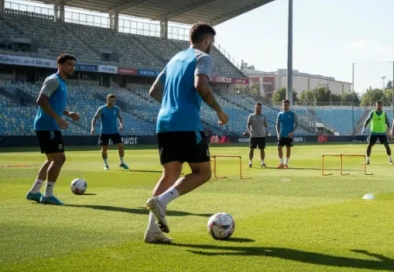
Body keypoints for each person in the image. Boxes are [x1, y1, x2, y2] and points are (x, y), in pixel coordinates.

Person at [144, 23, 228, 244]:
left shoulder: (174, 59)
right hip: (186, 124)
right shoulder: (203, 58)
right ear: (207, 40)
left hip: (164, 122)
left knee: (169, 174)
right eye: (213, 42)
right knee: (203, 173)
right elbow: (201, 85)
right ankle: (161, 201)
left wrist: (171, 106)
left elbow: (153, 90)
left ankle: (152, 231)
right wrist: (219, 110)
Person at [26, 54, 80, 205]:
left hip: (49, 124)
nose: (72, 67)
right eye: (69, 64)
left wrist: (67, 113)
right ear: (60, 65)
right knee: (60, 159)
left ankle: (34, 191)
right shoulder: (54, 80)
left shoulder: (61, 82)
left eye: (73, 65)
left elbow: (53, 104)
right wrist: (57, 118)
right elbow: (41, 100)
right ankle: (48, 195)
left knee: (51, 159)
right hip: (48, 125)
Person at [90, 93, 129, 170]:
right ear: (107, 100)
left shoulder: (116, 109)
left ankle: (122, 163)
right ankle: (106, 165)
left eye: (113, 100)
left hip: (115, 132)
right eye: (110, 100)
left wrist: (121, 125)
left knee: (121, 146)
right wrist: (92, 128)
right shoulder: (102, 109)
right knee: (104, 149)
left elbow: (120, 118)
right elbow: (94, 118)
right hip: (104, 132)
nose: (112, 102)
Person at [246, 102, 268, 168]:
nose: (258, 109)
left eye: (260, 108)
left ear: (261, 108)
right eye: (257, 107)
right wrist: (249, 131)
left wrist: (266, 131)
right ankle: (250, 162)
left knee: (262, 149)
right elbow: (248, 124)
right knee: (251, 149)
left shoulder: (263, 116)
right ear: (255, 107)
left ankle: (262, 163)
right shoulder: (251, 116)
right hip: (253, 136)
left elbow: (266, 125)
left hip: (261, 136)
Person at [276, 99, 297, 169]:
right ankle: (281, 163)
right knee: (279, 148)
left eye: (287, 105)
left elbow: (296, 124)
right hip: (281, 134)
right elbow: (277, 125)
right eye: (284, 105)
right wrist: (278, 134)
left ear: (289, 105)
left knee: (288, 149)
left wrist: (292, 132)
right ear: (282, 105)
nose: (285, 106)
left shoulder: (292, 114)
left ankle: (286, 164)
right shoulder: (280, 114)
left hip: (289, 135)